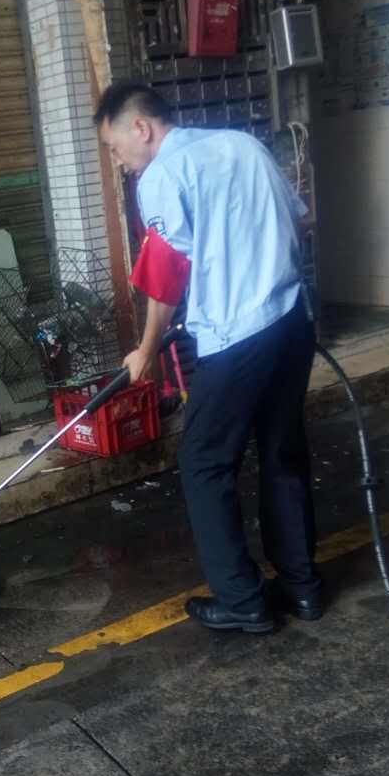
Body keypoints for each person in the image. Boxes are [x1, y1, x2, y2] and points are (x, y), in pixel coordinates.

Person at [94, 80, 321, 634]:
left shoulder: (162, 176)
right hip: (292, 321)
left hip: (236, 336)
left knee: (203, 461)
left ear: (141, 127)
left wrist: (146, 349)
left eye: (114, 147)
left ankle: (243, 600)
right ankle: (302, 588)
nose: (117, 161)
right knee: (281, 450)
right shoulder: (243, 144)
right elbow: (299, 221)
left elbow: (168, 274)